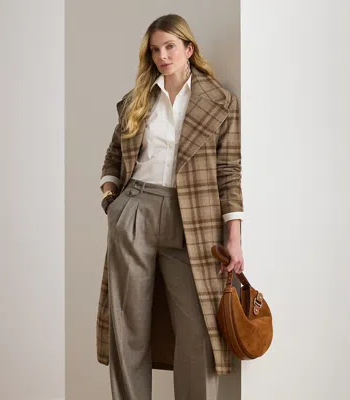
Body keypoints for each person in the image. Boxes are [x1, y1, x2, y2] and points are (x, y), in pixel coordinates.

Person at [96, 13, 245, 400]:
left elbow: (229, 171)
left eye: (170, 47)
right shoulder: (138, 99)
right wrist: (112, 198)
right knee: (128, 325)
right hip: (135, 211)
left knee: (197, 328)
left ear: (189, 49)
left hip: (191, 218)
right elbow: (114, 153)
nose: (162, 56)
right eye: (155, 50)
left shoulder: (220, 102)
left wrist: (234, 237)